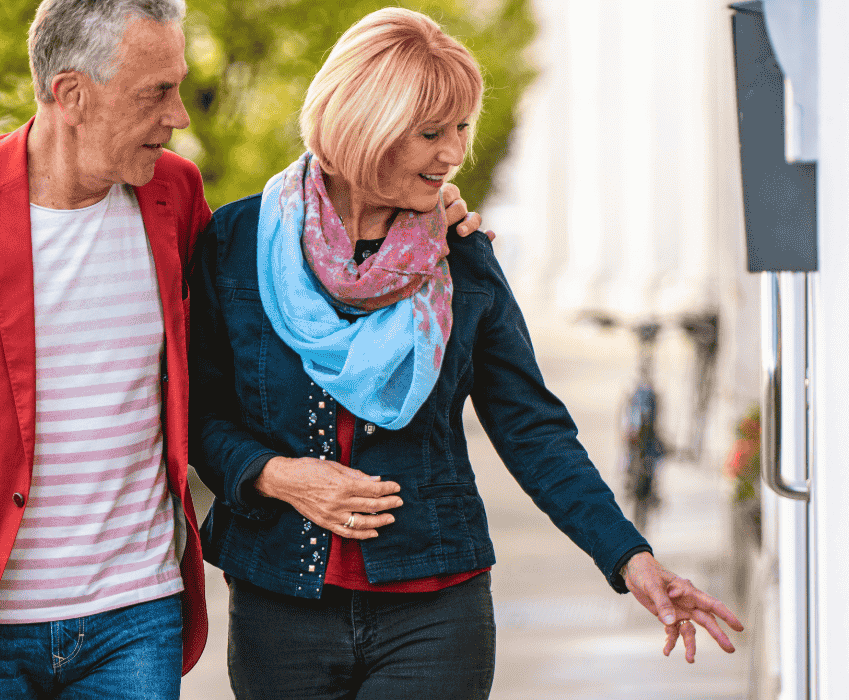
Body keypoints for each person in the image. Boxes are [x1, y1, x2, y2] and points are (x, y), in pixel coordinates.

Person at [0, 2, 483, 698]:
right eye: (157, 92)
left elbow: (281, 290)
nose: (179, 115)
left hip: (134, 619)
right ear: (72, 95)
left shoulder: (174, 197)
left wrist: (421, 227)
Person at [189, 8, 744, 699]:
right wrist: (279, 476)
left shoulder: (460, 258)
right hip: (281, 607)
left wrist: (629, 555)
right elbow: (199, 413)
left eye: (460, 128)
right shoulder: (235, 244)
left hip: (434, 611)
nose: (454, 153)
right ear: (366, 128)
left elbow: (531, 426)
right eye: (430, 133)